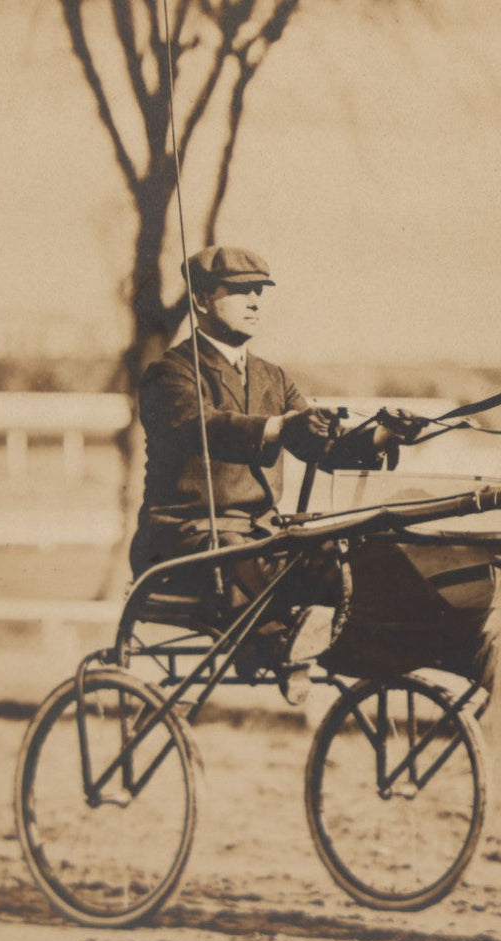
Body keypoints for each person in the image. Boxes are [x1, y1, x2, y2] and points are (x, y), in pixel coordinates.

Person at [129, 245, 398, 702]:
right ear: (200, 301)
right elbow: (201, 426)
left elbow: (319, 444)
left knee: (347, 558)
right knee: (238, 551)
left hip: (260, 539)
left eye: (258, 291)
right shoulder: (169, 374)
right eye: (239, 291)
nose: (255, 301)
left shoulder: (273, 378)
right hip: (184, 540)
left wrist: (383, 436)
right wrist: (279, 427)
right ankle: (275, 645)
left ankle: (359, 647)